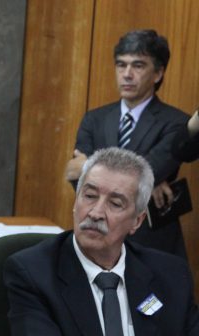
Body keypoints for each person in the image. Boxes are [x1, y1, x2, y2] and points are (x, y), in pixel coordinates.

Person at [6, 147, 199, 336]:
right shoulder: (32, 271)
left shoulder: (170, 274)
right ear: (75, 202)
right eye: (89, 196)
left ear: (137, 221)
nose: (96, 212)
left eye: (115, 203)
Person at [64, 29, 189, 260]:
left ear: (158, 73)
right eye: (121, 65)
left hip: (152, 242)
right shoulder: (94, 119)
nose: (127, 74)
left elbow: (139, 176)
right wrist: (147, 182)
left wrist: (88, 166)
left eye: (138, 66)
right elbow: (79, 180)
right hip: (97, 237)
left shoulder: (178, 122)